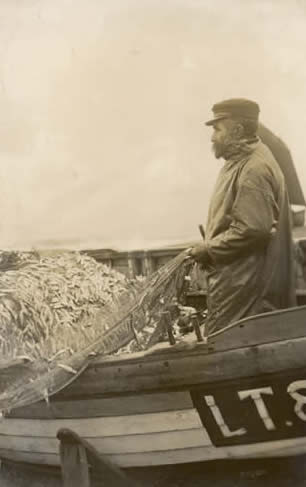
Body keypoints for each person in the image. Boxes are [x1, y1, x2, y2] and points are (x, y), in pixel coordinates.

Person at [189, 98, 296, 334]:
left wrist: (209, 249)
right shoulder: (241, 159)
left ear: (237, 131)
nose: (212, 137)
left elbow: (253, 230)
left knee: (225, 342)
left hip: (246, 286)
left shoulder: (253, 168)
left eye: (217, 129)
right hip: (238, 280)